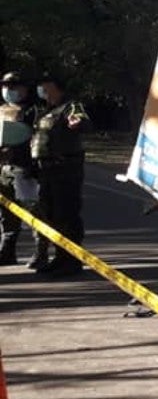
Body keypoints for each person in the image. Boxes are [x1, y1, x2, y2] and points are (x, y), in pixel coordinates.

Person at [30, 73, 90, 276]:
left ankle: (71, 261)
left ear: (58, 88)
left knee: (67, 215)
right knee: (51, 215)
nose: (43, 91)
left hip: (65, 170)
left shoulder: (70, 106)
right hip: (46, 170)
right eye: (41, 88)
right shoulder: (45, 111)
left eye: (47, 87)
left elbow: (82, 122)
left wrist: (77, 123)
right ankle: (59, 257)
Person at [0, 72, 41, 265]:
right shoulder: (1, 110)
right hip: (3, 169)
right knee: (6, 213)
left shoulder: (34, 111)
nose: (9, 90)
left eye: (14, 86)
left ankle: (41, 252)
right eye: (6, 86)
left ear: (24, 89)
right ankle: (7, 250)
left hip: (25, 168)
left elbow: (39, 140)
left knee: (34, 211)